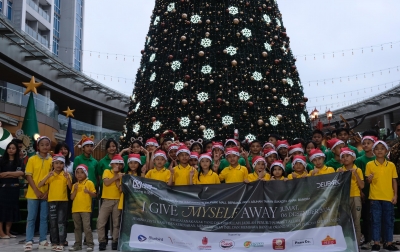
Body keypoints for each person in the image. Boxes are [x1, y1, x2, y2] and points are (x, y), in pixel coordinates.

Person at [366, 141, 399, 251]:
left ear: (386, 151)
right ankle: (376, 243)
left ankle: (389, 242)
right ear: (373, 151)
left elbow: (394, 181)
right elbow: (368, 180)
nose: (379, 150)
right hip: (375, 198)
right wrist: (369, 179)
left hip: (388, 197)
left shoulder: (391, 165)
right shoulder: (370, 164)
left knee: (388, 220)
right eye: (377, 148)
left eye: (382, 148)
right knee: (376, 220)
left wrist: (395, 195)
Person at [38, 153, 72, 252]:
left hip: (63, 202)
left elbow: (70, 188)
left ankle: (61, 242)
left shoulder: (66, 174)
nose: (58, 165)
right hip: (52, 202)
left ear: (64, 165)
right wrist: (48, 176)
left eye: (61, 163)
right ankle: (54, 242)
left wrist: (67, 179)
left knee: (61, 222)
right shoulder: (50, 174)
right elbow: (40, 184)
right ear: (53, 164)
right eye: (56, 163)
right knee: (53, 223)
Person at [24, 136, 53, 251]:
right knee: (31, 218)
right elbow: (28, 175)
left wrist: (47, 192)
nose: (45, 147)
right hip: (32, 194)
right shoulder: (32, 159)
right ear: (38, 146)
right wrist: (36, 190)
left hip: (46, 195)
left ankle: (43, 240)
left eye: (47, 144)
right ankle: (29, 241)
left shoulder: (52, 161)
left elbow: (54, 178)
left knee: (44, 218)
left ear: (50, 146)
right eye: (42, 145)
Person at [337, 147, 364, 247]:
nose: (345, 158)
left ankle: (356, 245)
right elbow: (337, 186)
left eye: (347, 156)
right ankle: (346, 244)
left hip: (356, 197)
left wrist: (355, 174)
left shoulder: (358, 170)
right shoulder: (339, 170)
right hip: (344, 198)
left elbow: (362, 186)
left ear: (353, 158)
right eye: (343, 157)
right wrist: (339, 175)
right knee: (345, 222)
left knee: (356, 222)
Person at [97, 155, 124, 251]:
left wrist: (118, 178)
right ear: (111, 164)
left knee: (116, 223)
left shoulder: (122, 175)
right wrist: (116, 176)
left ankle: (115, 241)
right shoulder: (107, 171)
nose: (118, 166)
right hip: (106, 200)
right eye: (116, 163)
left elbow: (120, 190)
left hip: (117, 201)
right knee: (101, 221)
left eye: (120, 164)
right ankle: (102, 241)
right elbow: (106, 183)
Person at [356, 133, 378, 249]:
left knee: (377, 216)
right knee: (366, 217)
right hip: (365, 191)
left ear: (374, 144)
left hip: (378, 192)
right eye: (363, 143)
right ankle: (367, 239)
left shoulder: (378, 158)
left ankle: (378, 239)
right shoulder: (360, 159)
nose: (365, 145)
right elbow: (358, 177)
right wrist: (361, 191)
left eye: (368, 143)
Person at [69, 164, 96, 252]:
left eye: (82, 172)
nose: (79, 175)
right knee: (77, 228)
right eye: (77, 173)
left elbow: (94, 195)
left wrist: (88, 192)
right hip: (75, 209)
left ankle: (90, 244)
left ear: (86, 174)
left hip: (85, 209)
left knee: (86, 227)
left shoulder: (89, 183)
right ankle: (77, 244)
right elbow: (72, 198)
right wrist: (75, 189)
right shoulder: (74, 185)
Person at [0, 141, 24, 239]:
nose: (11, 150)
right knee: (2, 210)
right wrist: (12, 173)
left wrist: (6, 173)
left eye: (13, 148)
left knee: (11, 209)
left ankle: (8, 232)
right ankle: (1, 233)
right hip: (3, 189)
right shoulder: (1, 160)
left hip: (14, 188)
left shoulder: (19, 161)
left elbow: (21, 173)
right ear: (7, 149)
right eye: (9, 148)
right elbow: (0, 175)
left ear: (16, 150)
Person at [54, 142, 73, 247]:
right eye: (61, 149)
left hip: (67, 191)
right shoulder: (53, 163)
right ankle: (54, 239)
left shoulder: (71, 164)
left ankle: (63, 239)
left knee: (64, 218)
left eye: (65, 149)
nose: (63, 151)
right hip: (55, 192)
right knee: (54, 218)